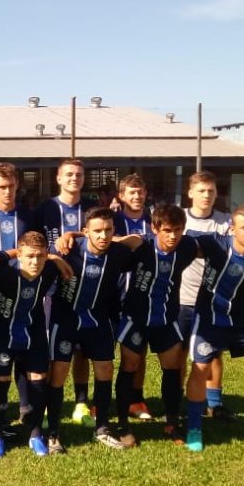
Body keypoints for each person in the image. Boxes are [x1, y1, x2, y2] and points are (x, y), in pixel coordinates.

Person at [187, 206, 244, 454]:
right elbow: (182, 240)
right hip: (209, 319)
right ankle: (194, 428)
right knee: (200, 368)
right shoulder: (214, 243)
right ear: (232, 228)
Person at [49, 207, 140, 451]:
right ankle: (53, 432)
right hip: (66, 318)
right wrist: (64, 243)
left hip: (98, 319)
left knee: (105, 368)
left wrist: (116, 238)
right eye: (97, 231)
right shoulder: (69, 250)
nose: (103, 235)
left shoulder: (118, 253)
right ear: (86, 231)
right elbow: (40, 256)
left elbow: (138, 242)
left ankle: (102, 427)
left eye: (108, 230)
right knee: (58, 372)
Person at [115, 205, 200, 446]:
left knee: (172, 367)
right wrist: (72, 236)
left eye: (178, 230)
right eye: (167, 230)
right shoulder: (140, 246)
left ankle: (172, 422)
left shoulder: (187, 246)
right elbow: (111, 241)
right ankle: (123, 423)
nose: (173, 236)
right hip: (136, 318)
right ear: (154, 228)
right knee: (130, 365)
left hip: (166, 319)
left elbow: (217, 245)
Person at [0, 231, 70, 457]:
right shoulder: (3, 274)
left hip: (34, 335)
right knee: (1, 381)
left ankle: (36, 433)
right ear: (20, 255)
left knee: (39, 380)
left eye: (40, 256)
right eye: (30, 256)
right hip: (3, 335)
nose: (35, 261)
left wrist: (55, 258)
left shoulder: (49, 270)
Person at [34, 157, 92, 427]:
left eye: (78, 174)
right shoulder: (44, 208)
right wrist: (53, 256)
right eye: (69, 174)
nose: (74, 178)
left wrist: (73, 235)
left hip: (86, 285)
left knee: (82, 349)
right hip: (53, 288)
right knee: (51, 348)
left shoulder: (91, 208)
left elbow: (103, 235)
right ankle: (47, 405)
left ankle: (81, 403)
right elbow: (33, 243)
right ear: (58, 178)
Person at [178, 171, 235, 423]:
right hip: (182, 297)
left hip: (214, 300)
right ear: (190, 192)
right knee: (179, 351)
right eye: (201, 190)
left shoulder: (226, 221)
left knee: (214, 352)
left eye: (211, 191)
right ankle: (179, 398)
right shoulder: (180, 219)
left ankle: (215, 403)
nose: (207, 195)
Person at [111, 173, 154, 422]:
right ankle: (99, 400)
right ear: (121, 196)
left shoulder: (154, 220)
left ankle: (136, 398)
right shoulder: (113, 220)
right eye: (131, 192)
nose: (137, 196)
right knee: (104, 351)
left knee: (138, 350)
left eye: (140, 192)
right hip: (112, 293)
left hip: (143, 296)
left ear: (146, 194)